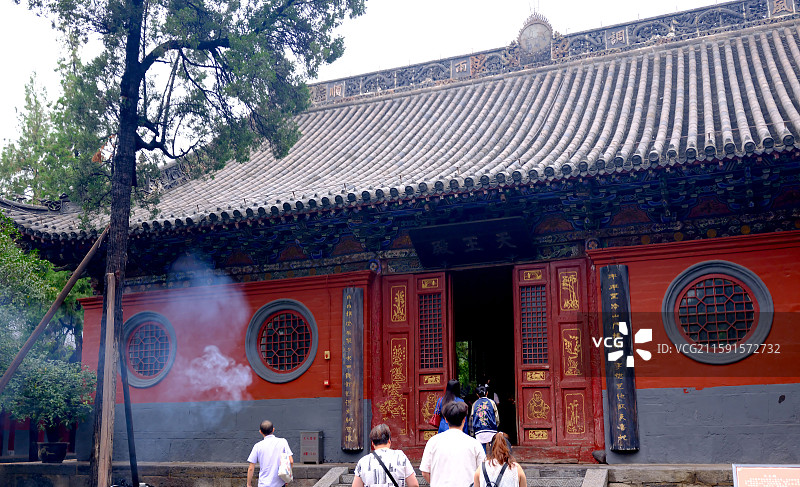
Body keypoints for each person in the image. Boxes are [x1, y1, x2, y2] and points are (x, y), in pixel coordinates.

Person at [420, 401, 486, 487]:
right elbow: (482, 472)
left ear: (446, 420)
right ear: (464, 420)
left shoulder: (433, 442)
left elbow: (425, 472)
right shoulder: (474, 444)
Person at [352, 424, 419, 487]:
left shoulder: (363, 461)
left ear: (372, 443)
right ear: (389, 440)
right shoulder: (400, 457)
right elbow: (414, 484)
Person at [247, 420, 293, 487]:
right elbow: (291, 461)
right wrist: (286, 478)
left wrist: (248, 484)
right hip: (279, 483)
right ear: (273, 430)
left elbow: (251, 467)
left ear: (260, 432)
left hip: (263, 483)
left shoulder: (257, 446)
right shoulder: (283, 442)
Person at [471, 385, 499, 452]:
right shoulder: (492, 402)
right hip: (491, 430)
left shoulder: (474, 404)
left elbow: (472, 418)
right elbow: (497, 417)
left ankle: (483, 461)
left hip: (479, 431)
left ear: (477, 395)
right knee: (493, 450)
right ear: (487, 393)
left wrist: (472, 432)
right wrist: (496, 426)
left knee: (482, 452)